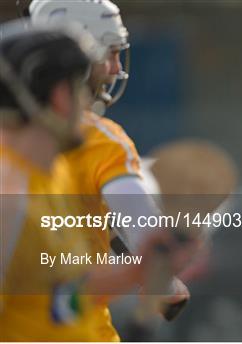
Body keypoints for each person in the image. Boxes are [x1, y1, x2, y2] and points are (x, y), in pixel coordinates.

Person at [27, 0, 194, 331]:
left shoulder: (12, 136)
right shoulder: (102, 141)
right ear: (79, 57)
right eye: (111, 52)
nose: (117, 68)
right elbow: (150, 245)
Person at [0, 21, 156, 341]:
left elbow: (58, 298)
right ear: (60, 97)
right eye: (79, 88)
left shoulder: (52, 175)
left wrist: (134, 271)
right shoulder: (9, 197)